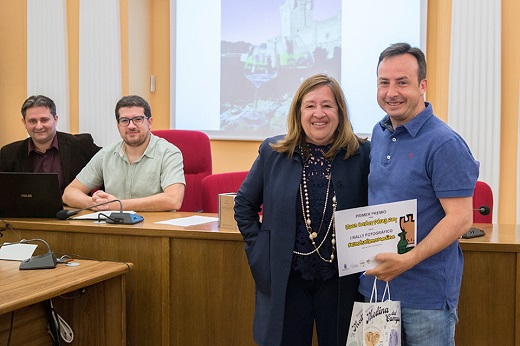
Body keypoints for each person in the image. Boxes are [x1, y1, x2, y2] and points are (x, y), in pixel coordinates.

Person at [234, 74, 370, 346]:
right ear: (298, 112)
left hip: (342, 283)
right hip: (288, 281)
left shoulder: (362, 154)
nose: (318, 113)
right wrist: (260, 250)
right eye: (310, 105)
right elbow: (244, 205)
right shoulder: (273, 152)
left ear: (340, 112)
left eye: (327, 106)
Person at [359, 42, 479, 345]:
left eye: (402, 82)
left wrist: (408, 260)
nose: (391, 92)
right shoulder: (380, 132)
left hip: (425, 298)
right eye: (384, 83)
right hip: (376, 290)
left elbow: (461, 219)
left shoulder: (444, 143)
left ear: (422, 85)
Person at [62, 95, 185, 212]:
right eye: (124, 120)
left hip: (154, 229)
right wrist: (95, 204)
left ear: (150, 122)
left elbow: (173, 200)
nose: (131, 126)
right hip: (116, 228)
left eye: (138, 119)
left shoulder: (169, 153)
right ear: (118, 126)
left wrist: (117, 205)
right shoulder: (106, 154)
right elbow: (69, 193)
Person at [0, 95, 101, 193]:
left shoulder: (81, 145)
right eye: (32, 121)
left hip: (75, 209)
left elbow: (108, 166)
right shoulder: (8, 155)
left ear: (55, 119)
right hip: (26, 210)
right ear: (24, 123)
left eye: (44, 120)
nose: (39, 126)